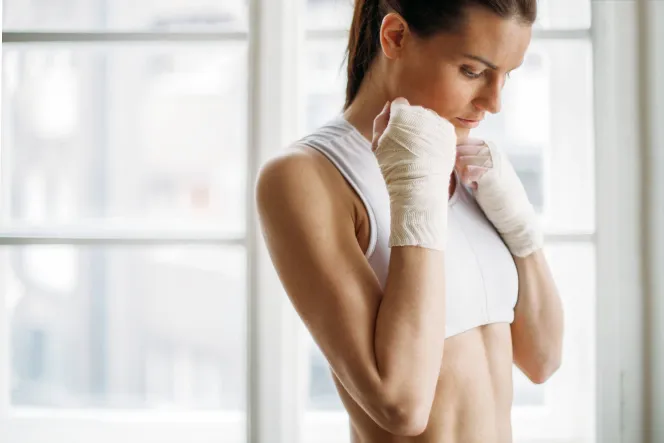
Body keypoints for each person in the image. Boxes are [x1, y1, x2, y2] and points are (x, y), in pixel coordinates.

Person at [255, 0, 564, 441]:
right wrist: (418, 189)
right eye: (473, 71)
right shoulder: (306, 178)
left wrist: (522, 230)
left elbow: (543, 358)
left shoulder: (470, 164)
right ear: (395, 36)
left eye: (506, 75)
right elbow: (401, 405)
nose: (493, 103)